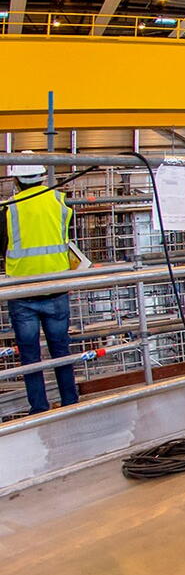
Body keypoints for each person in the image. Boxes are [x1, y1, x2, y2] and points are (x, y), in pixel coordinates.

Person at [4, 158, 79, 414]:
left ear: (16, 180)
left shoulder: (9, 207)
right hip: (56, 287)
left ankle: (39, 408)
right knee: (61, 350)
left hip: (22, 291)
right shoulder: (60, 202)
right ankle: (70, 403)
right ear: (43, 176)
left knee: (30, 356)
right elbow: (66, 238)